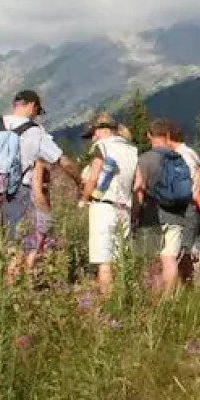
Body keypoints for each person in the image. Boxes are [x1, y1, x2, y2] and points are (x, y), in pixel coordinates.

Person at [0, 89, 81, 282]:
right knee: (17, 248)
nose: (37, 116)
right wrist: (79, 181)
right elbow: (62, 160)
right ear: (32, 106)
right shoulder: (35, 131)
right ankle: (12, 289)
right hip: (18, 192)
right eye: (37, 111)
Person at [77, 112, 138, 297]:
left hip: (103, 205)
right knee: (120, 258)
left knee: (104, 259)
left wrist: (84, 199)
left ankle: (107, 300)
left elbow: (93, 177)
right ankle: (122, 298)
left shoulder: (102, 147)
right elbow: (137, 183)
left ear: (102, 130)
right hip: (124, 206)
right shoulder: (132, 149)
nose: (93, 138)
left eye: (93, 133)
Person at [132, 117, 194, 298]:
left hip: (152, 216)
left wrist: (135, 214)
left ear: (149, 135)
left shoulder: (145, 160)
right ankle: (169, 299)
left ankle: (156, 300)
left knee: (153, 261)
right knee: (170, 259)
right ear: (167, 135)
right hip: (176, 215)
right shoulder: (178, 159)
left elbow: (139, 188)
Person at [168, 121, 200, 284]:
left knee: (183, 248)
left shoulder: (182, 155)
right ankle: (187, 285)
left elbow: (184, 182)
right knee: (186, 246)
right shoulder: (190, 153)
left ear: (169, 138)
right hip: (193, 205)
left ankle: (186, 285)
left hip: (186, 206)